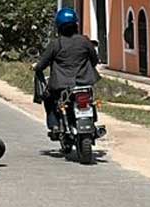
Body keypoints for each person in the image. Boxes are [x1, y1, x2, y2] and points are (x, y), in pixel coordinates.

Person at [33, 7, 100, 138]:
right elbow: (94, 60)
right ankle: (93, 122)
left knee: (49, 99)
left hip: (61, 85)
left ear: (58, 26)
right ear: (76, 24)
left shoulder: (55, 44)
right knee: (89, 100)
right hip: (84, 82)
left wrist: (36, 67)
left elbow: (42, 64)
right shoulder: (85, 41)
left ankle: (55, 126)